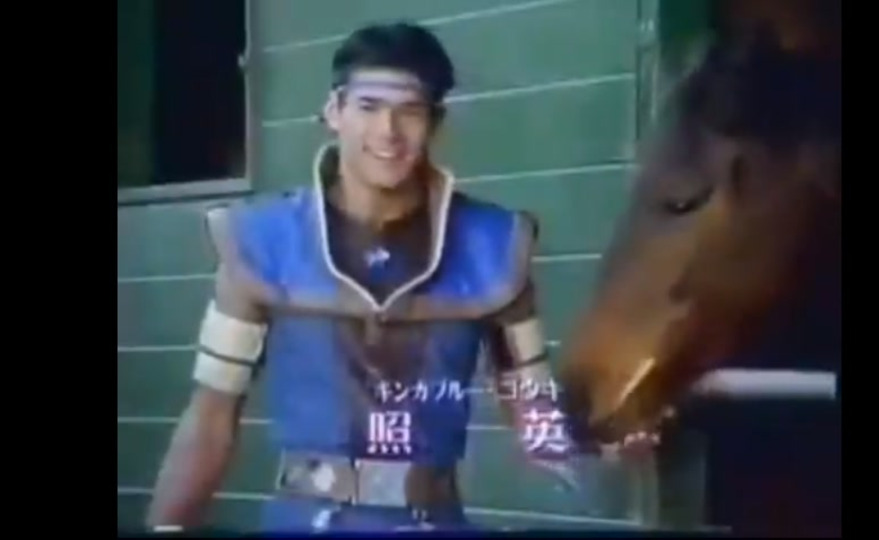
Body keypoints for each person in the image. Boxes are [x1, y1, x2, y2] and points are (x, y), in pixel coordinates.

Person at [145, 22, 582, 533]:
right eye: (368, 107)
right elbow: (211, 415)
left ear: (436, 122)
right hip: (304, 520)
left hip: (434, 521)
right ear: (334, 111)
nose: (388, 131)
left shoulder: (493, 246)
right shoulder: (262, 242)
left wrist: (598, 437)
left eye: (410, 111)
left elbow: (534, 408)